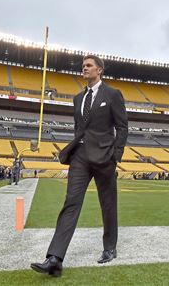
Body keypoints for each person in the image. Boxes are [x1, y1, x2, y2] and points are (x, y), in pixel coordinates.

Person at [31, 55, 128, 277]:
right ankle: (54, 258)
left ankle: (109, 248)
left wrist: (115, 155)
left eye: (89, 65)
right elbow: (79, 128)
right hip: (80, 157)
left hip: (104, 157)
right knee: (71, 203)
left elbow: (122, 126)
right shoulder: (78, 98)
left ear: (99, 70)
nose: (84, 68)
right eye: (83, 66)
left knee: (108, 204)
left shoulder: (112, 94)